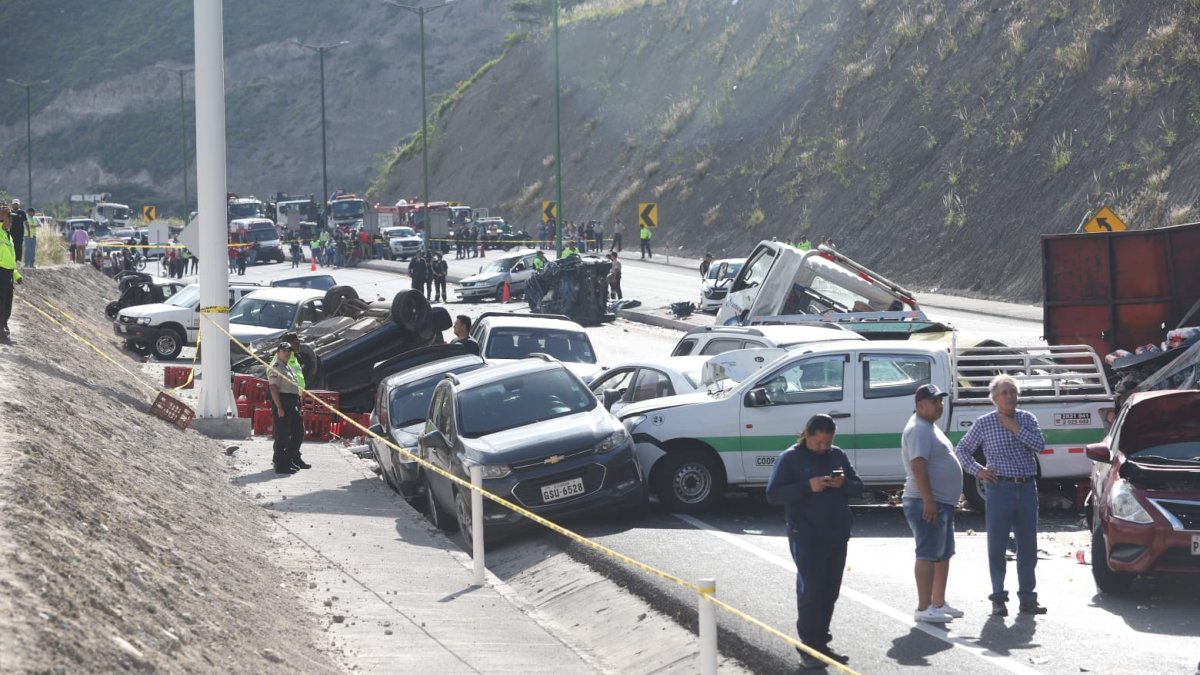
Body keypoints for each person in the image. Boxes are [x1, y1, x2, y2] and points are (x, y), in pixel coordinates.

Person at [766, 414, 862, 669]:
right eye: (819, 442)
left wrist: (843, 484)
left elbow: (858, 486)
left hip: (837, 533)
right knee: (812, 590)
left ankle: (820, 642)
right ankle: (809, 646)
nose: (824, 448)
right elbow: (773, 494)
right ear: (806, 434)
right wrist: (807, 486)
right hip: (806, 535)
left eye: (828, 443)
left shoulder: (837, 455)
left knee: (830, 591)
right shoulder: (790, 458)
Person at [954, 374, 1048, 617]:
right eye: (1004, 392)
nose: (1010, 396)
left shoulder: (1027, 419)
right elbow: (962, 449)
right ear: (994, 398)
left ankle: (1028, 598)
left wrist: (1015, 428)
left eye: (1013, 392)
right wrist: (979, 471)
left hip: (1026, 488)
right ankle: (998, 597)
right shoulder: (984, 423)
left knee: (1028, 546)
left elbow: (1040, 445)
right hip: (999, 489)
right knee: (997, 545)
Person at [901, 384, 964, 624]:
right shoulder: (918, 428)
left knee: (943, 553)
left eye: (940, 400)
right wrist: (928, 500)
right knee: (928, 553)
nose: (940, 405)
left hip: (940, 501)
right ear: (920, 405)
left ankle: (938, 602)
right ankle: (924, 606)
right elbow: (918, 465)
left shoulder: (929, 427)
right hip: (926, 500)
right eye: (934, 401)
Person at [266, 341, 309, 474]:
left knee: (298, 432)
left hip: (293, 401)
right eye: (284, 350)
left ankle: (289, 459)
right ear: (278, 352)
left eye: (289, 351)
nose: (287, 353)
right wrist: (279, 407)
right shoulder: (276, 366)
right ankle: (281, 464)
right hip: (283, 401)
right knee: (283, 435)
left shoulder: (287, 366)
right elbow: (273, 388)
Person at [1, 205, 23, 338]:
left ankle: (3, 325)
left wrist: (16, 275)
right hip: (0, 271)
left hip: (8, 273)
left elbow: (11, 259)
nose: (11, 221)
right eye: (9, 218)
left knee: (7, 302)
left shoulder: (9, 237)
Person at [8, 199, 26, 264]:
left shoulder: (22, 212)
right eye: (14, 204)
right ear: (12, 205)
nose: (15, 205)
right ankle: (12, 260)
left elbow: (25, 222)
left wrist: (28, 231)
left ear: (19, 205)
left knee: (19, 246)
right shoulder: (9, 212)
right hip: (11, 232)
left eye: (17, 204)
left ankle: (19, 260)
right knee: (11, 246)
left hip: (20, 232)